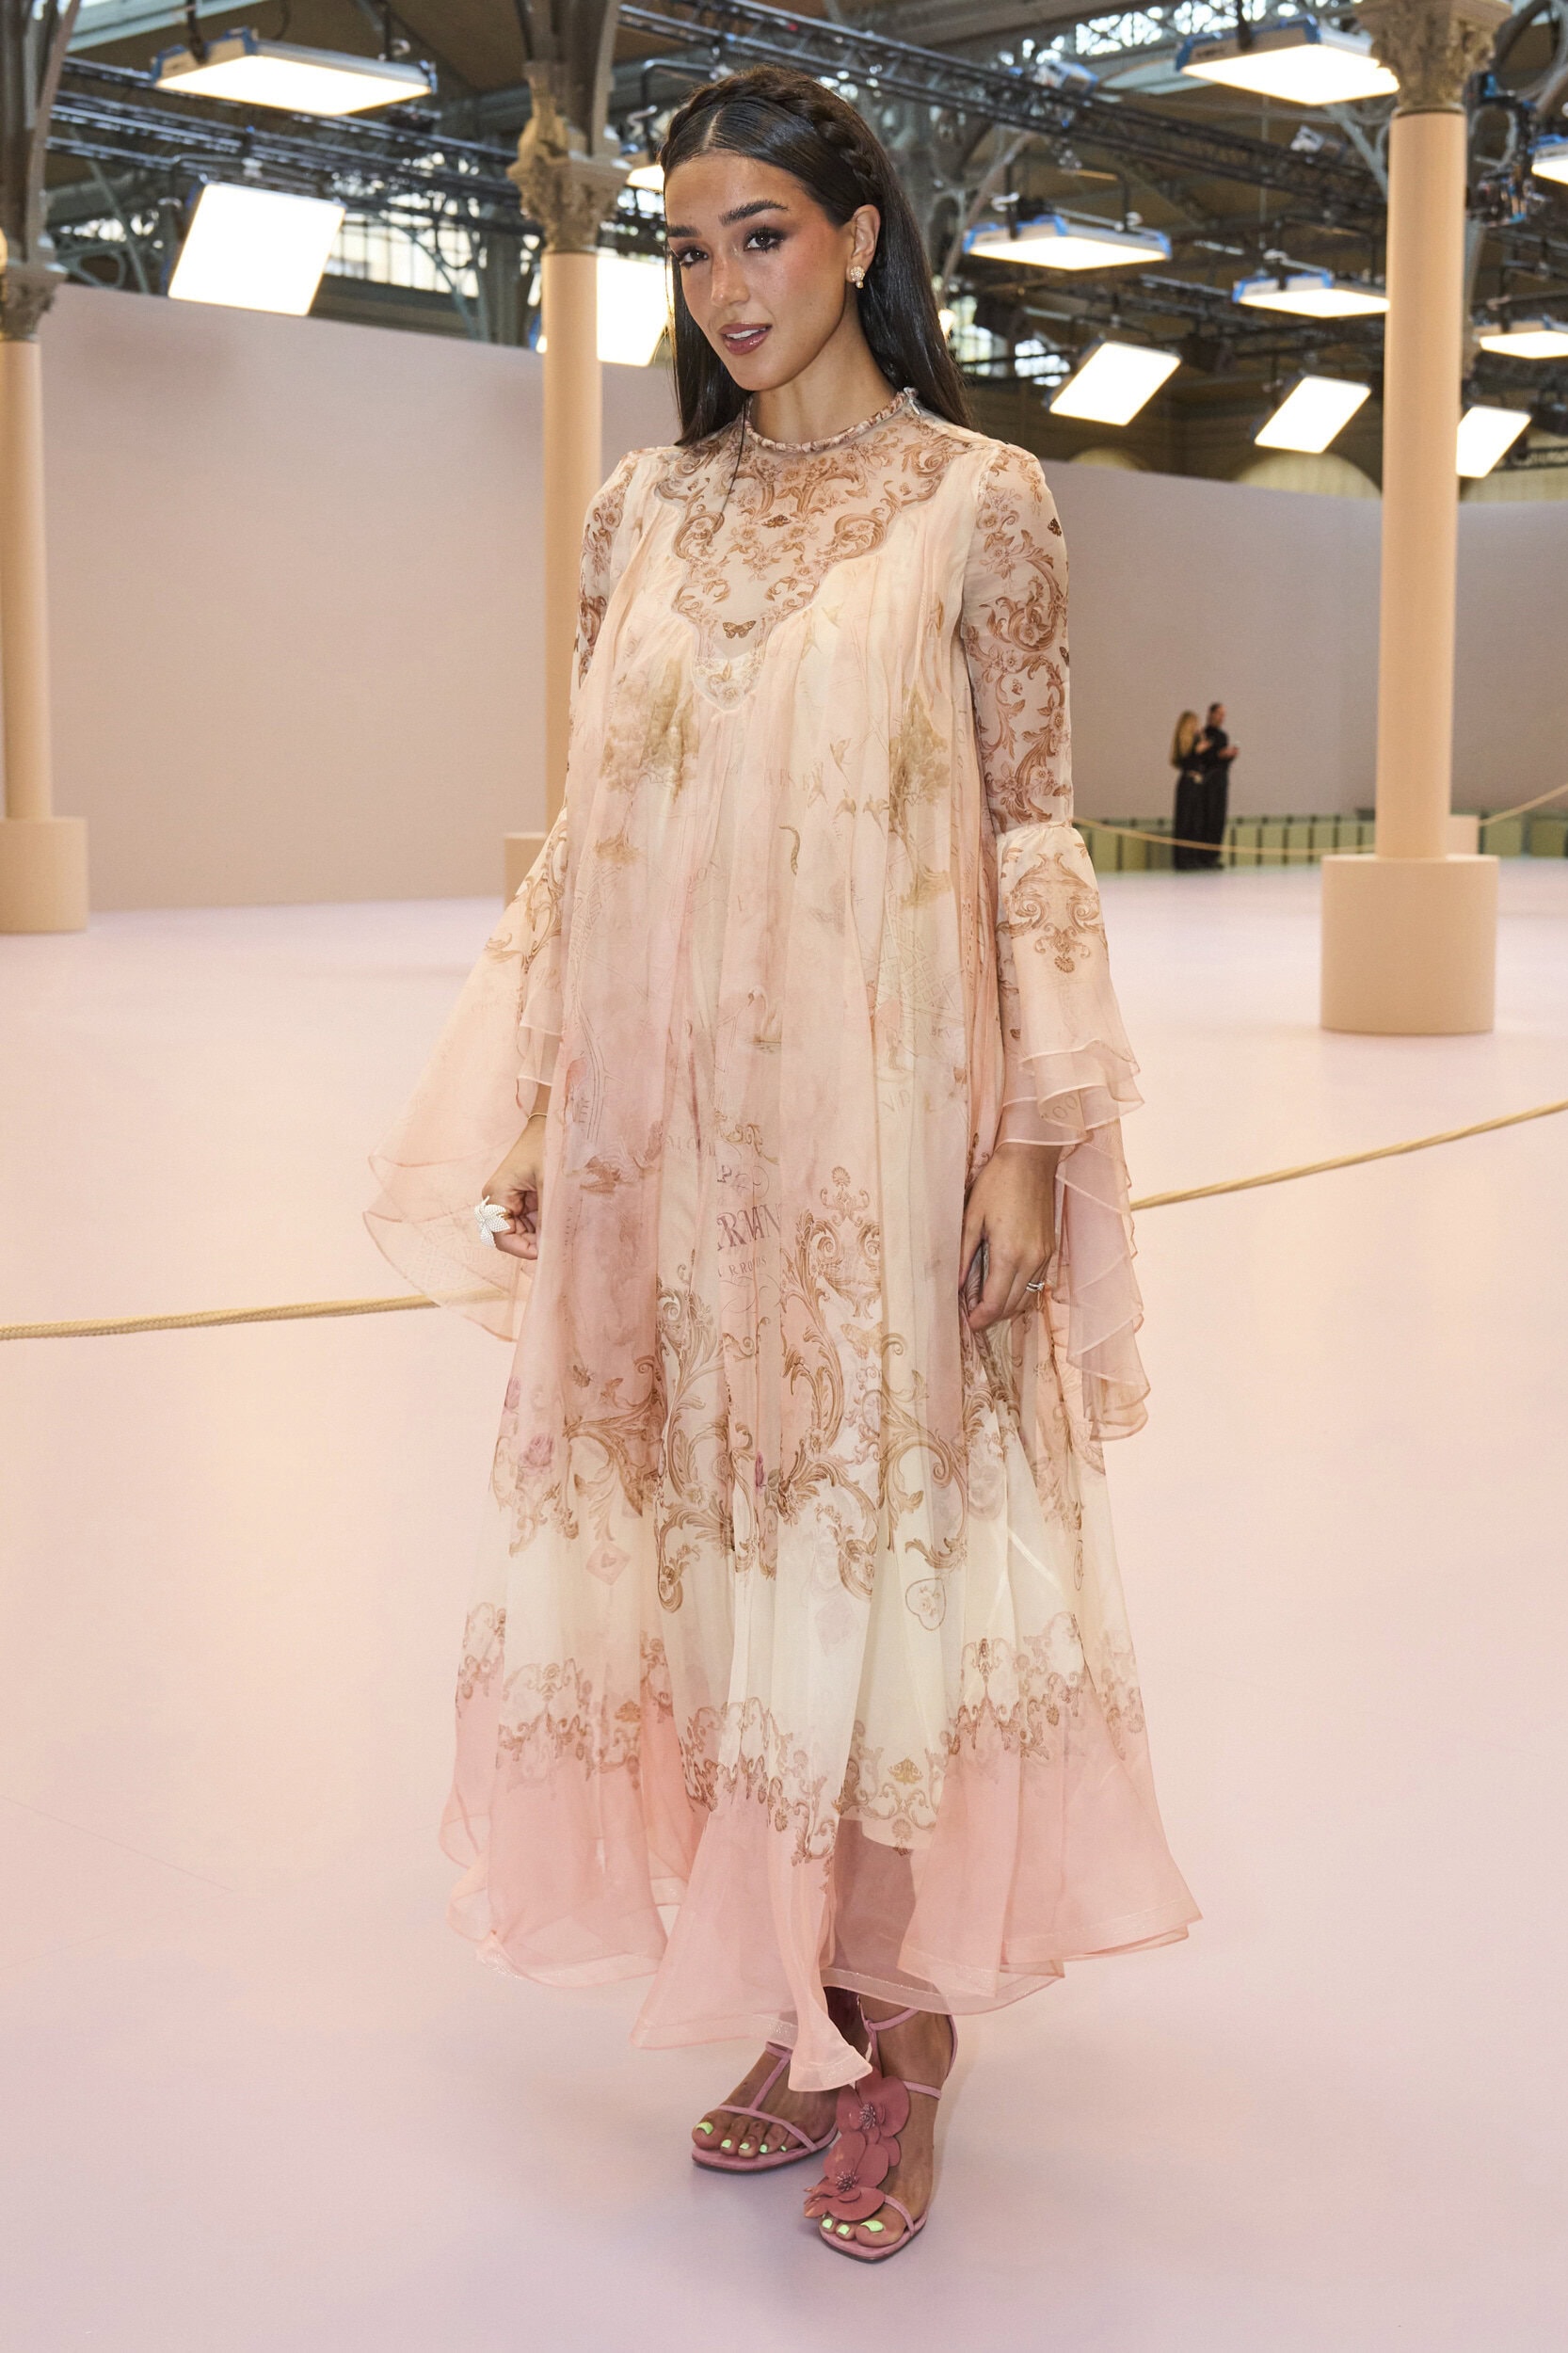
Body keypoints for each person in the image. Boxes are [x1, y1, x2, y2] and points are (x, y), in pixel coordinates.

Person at [367, 62, 1196, 2266]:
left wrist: (1029, 1140)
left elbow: (1027, 833)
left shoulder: (978, 501)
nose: (724, 284)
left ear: (855, 238)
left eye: (759, 233)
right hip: (666, 1139)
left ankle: (900, 2039)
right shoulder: (643, 514)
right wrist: (543, 1098)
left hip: (885, 1121)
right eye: (687, 245)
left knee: (872, 1552)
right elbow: (597, 827)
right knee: (716, 1557)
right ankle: (785, 1993)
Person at [1193, 701, 1238, 870]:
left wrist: (1229, 756)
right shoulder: (1203, 734)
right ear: (1210, 714)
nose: (1221, 717)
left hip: (1220, 781)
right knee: (1207, 817)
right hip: (1207, 783)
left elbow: (1222, 762)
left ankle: (1213, 856)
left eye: (1223, 714)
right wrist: (1218, 755)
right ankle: (1202, 856)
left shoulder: (1222, 736)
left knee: (1218, 819)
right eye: (1219, 713)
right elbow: (1202, 759)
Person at [1170, 709, 1205, 871]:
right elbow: (1184, 761)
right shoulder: (1185, 743)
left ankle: (1193, 857)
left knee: (1195, 822)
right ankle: (1182, 859)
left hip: (1196, 782)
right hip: (1187, 783)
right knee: (1184, 821)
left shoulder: (1197, 740)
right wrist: (1196, 750)